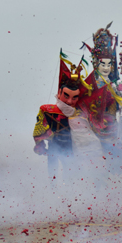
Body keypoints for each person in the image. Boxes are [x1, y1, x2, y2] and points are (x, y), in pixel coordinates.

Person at [33, 51, 90, 180]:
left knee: (69, 175)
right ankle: (53, 193)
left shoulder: (82, 114)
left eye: (74, 97)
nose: (70, 101)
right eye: (66, 96)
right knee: (52, 173)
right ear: (59, 93)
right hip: (54, 145)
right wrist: (39, 144)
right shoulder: (47, 110)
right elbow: (39, 129)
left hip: (71, 148)